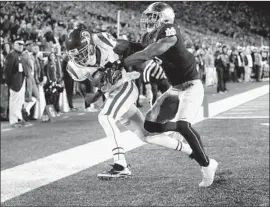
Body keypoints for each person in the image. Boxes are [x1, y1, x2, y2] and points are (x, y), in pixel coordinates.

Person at [108, 2, 218, 187]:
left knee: (184, 125)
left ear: (165, 19)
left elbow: (152, 51)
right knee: (150, 125)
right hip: (175, 88)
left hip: (192, 86)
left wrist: (122, 63)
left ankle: (207, 165)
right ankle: (180, 130)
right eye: (148, 18)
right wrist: (109, 45)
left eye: (153, 18)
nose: (148, 22)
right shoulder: (148, 36)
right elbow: (136, 48)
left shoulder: (170, 30)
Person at [65, 25, 193, 180]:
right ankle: (191, 150)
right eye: (76, 55)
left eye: (83, 53)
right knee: (147, 136)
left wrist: (126, 64)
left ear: (91, 45)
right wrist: (96, 92)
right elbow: (87, 94)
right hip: (111, 93)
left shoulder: (103, 40)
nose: (81, 58)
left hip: (125, 85)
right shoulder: (74, 67)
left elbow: (130, 47)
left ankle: (121, 165)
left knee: (105, 117)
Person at [4, 37, 29, 127]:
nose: (21, 46)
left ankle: (18, 118)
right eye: (19, 44)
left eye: (22, 44)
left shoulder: (20, 55)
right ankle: (13, 121)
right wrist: (9, 82)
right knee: (14, 101)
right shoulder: (12, 55)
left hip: (21, 80)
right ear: (14, 45)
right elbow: (7, 70)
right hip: (15, 82)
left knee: (19, 101)